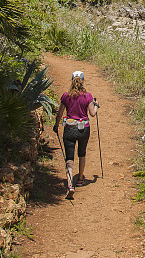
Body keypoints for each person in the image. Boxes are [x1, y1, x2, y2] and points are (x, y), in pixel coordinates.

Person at [53, 70, 98, 198]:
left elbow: (60, 113)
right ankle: (80, 179)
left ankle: (70, 184)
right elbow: (92, 114)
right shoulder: (88, 96)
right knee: (82, 153)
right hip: (84, 129)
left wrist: (56, 125)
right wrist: (96, 105)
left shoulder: (66, 96)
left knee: (69, 157)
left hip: (70, 128)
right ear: (83, 81)